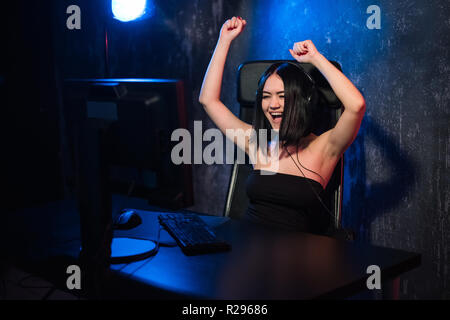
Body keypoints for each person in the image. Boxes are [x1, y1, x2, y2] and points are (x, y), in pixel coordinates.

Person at [199, 17, 365, 235]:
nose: (273, 104)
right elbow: (208, 100)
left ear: (300, 100)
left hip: (297, 257)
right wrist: (224, 40)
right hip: (247, 248)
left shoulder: (325, 147)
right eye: (266, 96)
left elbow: (356, 105)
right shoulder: (257, 143)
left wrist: (315, 58)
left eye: (282, 96)